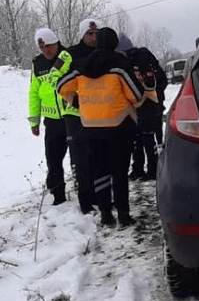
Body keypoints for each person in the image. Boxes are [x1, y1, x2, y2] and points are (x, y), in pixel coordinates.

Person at [55, 27, 143, 227]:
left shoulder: (81, 66)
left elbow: (61, 87)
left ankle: (105, 215)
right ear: (114, 43)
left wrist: (77, 102)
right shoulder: (120, 65)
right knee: (119, 172)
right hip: (119, 126)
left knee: (100, 171)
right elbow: (136, 95)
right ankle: (123, 215)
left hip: (91, 127)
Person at [27, 27, 74, 206]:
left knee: (79, 159)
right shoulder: (37, 63)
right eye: (42, 47)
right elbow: (34, 93)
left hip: (72, 117)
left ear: (56, 43)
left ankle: (86, 193)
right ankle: (58, 196)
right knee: (53, 160)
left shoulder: (67, 56)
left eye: (49, 46)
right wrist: (34, 120)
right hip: (52, 121)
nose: (46, 50)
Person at [62, 18, 102, 214]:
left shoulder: (102, 52)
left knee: (98, 157)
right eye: (89, 34)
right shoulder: (69, 54)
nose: (94, 38)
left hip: (98, 113)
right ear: (82, 34)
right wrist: (74, 100)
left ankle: (100, 198)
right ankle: (86, 203)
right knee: (81, 160)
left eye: (96, 34)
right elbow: (55, 78)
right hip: (75, 114)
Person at [116, 33, 168, 180]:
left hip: (150, 103)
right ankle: (137, 168)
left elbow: (153, 83)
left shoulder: (142, 59)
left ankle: (153, 169)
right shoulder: (128, 62)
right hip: (136, 104)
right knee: (136, 138)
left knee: (147, 137)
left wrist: (148, 96)